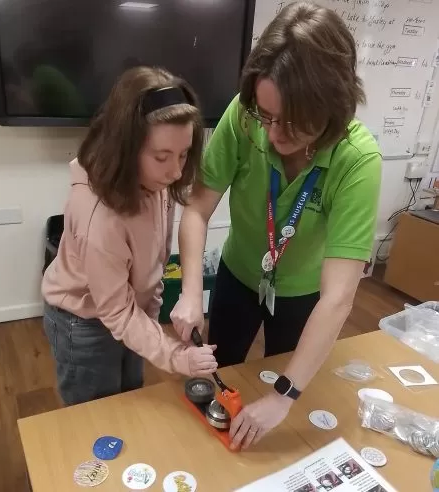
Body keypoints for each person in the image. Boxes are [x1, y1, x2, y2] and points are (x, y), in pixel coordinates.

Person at [170, 2, 381, 449]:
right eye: (266, 116)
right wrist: (191, 292)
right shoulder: (245, 117)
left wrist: (284, 395)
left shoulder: (357, 161)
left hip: (304, 295)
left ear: (333, 108)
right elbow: (196, 210)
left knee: (285, 383)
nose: (272, 133)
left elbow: (339, 296)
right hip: (239, 275)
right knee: (216, 373)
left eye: (291, 122)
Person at [42, 66, 217, 406]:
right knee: (97, 417)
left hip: (126, 311)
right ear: (125, 147)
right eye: (162, 157)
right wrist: (175, 356)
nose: (177, 171)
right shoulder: (99, 216)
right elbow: (117, 314)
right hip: (83, 323)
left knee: (129, 399)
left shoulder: (155, 181)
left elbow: (154, 260)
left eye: (183, 155)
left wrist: (151, 320)